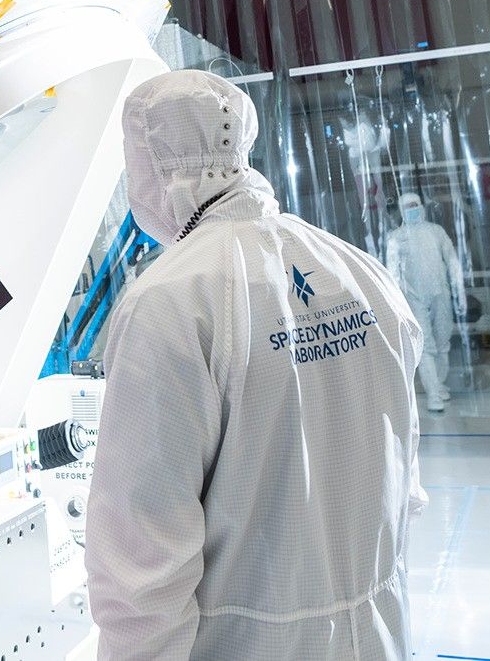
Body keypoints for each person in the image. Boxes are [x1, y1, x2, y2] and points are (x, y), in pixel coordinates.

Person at [86, 70, 425, 661]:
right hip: (378, 636)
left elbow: (141, 568)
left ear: (156, 163)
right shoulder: (360, 271)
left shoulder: (168, 302)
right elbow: (404, 486)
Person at [386, 192, 464, 413]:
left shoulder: (436, 231)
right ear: (401, 211)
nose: (412, 210)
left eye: (415, 205)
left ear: (421, 206)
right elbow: (392, 271)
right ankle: (433, 395)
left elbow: (451, 258)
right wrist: (395, 299)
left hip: (441, 293)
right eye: (407, 207)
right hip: (414, 298)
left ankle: (438, 384)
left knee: (443, 340)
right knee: (426, 345)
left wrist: (458, 286)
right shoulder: (396, 238)